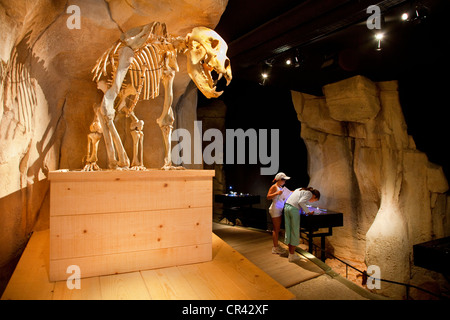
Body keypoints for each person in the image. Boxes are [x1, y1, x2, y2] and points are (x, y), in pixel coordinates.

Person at [284, 187, 320, 262]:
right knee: (294, 231)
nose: (312, 201)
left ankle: (291, 254)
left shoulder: (300, 189)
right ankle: (291, 255)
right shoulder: (309, 194)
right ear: (315, 196)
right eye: (315, 200)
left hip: (287, 207)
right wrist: (308, 212)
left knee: (289, 230)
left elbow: (298, 201)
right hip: (293, 210)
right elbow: (301, 202)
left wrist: (303, 211)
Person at [267, 172, 292, 255]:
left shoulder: (280, 187)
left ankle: (276, 246)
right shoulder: (274, 187)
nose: (285, 181)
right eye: (284, 180)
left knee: (277, 229)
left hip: (279, 209)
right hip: (275, 209)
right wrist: (276, 193)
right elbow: (268, 196)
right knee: (276, 229)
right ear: (279, 180)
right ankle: (275, 248)